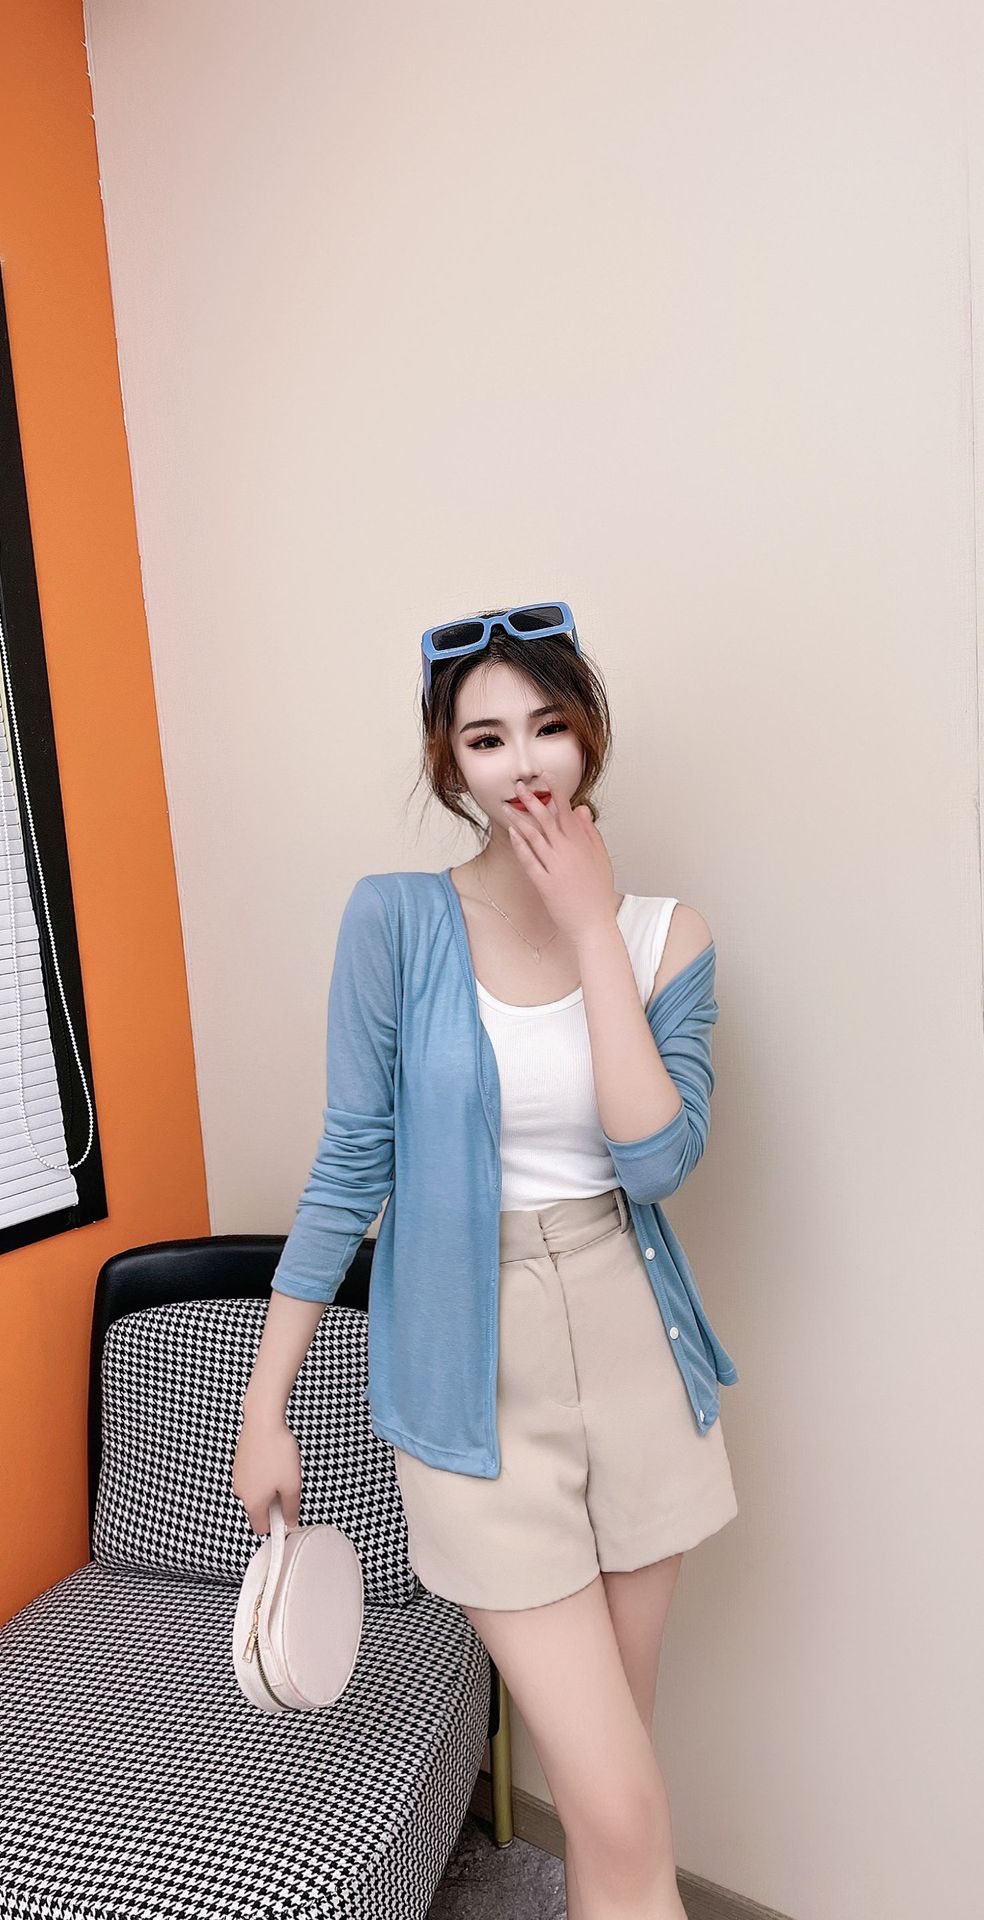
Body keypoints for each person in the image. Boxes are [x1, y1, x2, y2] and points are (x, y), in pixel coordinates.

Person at [234, 602, 739, 1920]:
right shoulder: (396, 922)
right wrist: (265, 1401)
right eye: (487, 738)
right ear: (447, 762)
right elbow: (351, 1166)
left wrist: (590, 929)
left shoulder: (665, 937)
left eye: (547, 727)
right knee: (621, 1804)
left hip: (637, 1362)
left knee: (616, 1789)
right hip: (474, 1377)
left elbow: (657, 1161)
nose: (524, 764)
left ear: (590, 736)